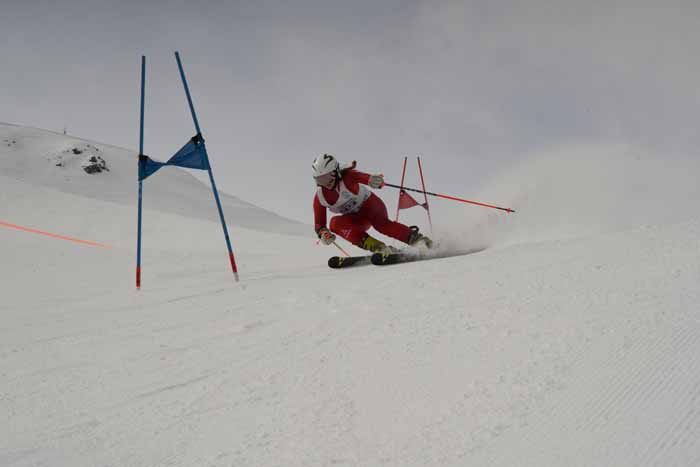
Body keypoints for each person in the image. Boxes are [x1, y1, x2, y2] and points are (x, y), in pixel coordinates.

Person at [312, 153, 433, 254]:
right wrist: (323, 233)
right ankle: (379, 248)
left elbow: (363, 177)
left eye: (327, 178)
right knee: (334, 223)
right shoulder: (320, 197)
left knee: (382, 226)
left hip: (371, 207)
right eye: (320, 180)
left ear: (336, 172)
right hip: (357, 219)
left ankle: (420, 241)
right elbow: (319, 224)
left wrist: (373, 180)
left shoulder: (348, 177)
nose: (325, 183)